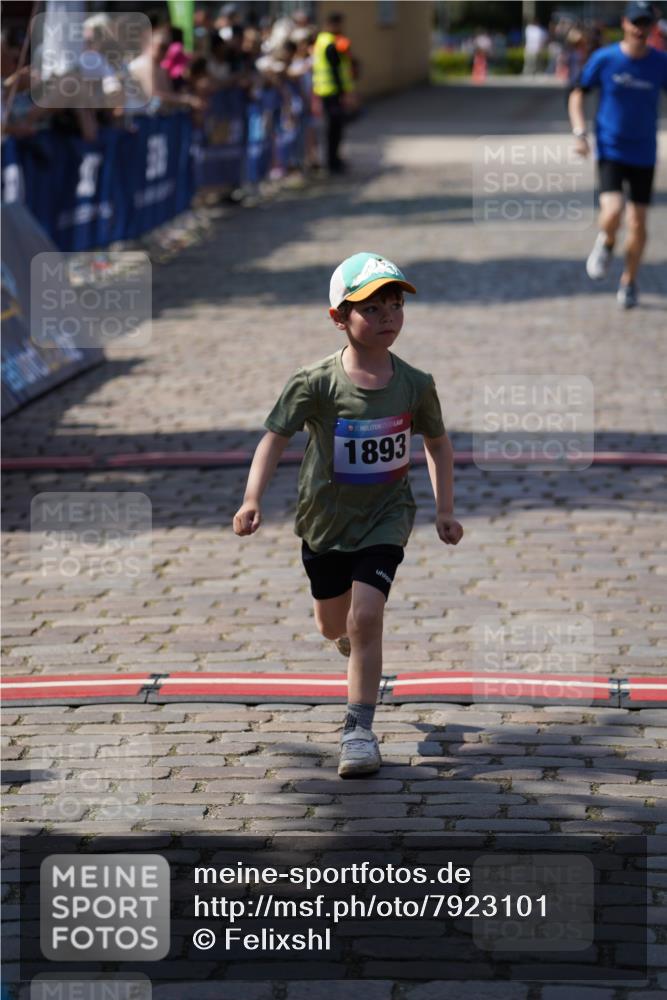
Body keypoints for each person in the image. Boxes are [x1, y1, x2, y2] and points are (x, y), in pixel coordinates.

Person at [232, 253, 463, 778]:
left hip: (386, 517)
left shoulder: (415, 383)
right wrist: (251, 499)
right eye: (372, 307)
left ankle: (358, 729)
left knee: (365, 618)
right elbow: (274, 439)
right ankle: (345, 640)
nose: (388, 316)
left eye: (395, 305)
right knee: (332, 623)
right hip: (324, 522)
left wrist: (444, 508)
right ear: (338, 316)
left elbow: (438, 445)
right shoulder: (313, 382)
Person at [568, 0, 667, 309]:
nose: (640, 28)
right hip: (611, 148)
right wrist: (580, 132)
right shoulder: (604, 58)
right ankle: (607, 241)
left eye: (645, 23)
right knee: (612, 212)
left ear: (653, 26)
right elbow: (577, 94)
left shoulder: (661, 63)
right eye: (635, 22)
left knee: (638, 222)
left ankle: (629, 281)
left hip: (644, 152)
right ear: (624, 23)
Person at [312, 11, 355, 173]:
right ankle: (333, 162)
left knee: (334, 128)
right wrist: (345, 93)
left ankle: (334, 160)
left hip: (327, 91)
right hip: (331, 91)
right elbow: (336, 69)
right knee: (334, 128)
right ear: (333, 24)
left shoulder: (324, 41)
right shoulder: (329, 43)